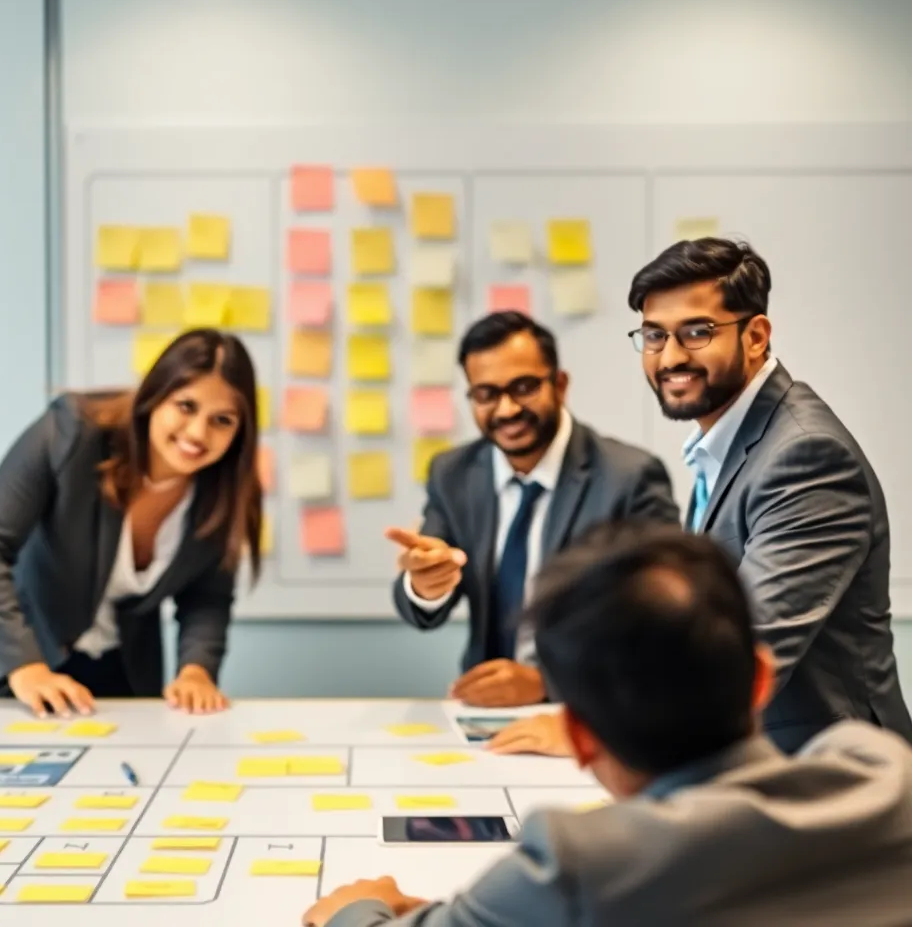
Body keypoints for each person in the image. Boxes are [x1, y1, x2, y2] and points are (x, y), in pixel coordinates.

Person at [303, 524, 912, 927]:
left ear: (579, 737)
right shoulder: (886, 774)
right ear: (759, 678)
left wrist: (357, 911)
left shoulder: (577, 866)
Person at [489, 238, 912, 757]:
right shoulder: (731, 441)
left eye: (696, 332)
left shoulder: (806, 456)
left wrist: (600, 730)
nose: (669, 357)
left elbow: (749, 648)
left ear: (756, 337)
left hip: (836, 782)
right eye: (653, 335)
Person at [0, 329, 262, 716]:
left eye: (222, 419)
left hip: (115, 673)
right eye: (186, 406)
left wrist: (196, 671)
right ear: (154, 396)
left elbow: (207, 597)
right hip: (2, 660)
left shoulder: (227, 490)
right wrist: (25, 667)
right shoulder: (70, 433)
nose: (199, 432)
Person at [385, 311, 679, 708]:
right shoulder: (453, 474)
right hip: (484, 711)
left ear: (559, 385)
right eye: (486, 394)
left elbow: (661, 625)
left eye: (523, 387)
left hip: (594, 710)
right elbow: (424, 603)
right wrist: (425, 584)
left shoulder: (629, 479)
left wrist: (545, 684)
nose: (506, 409)